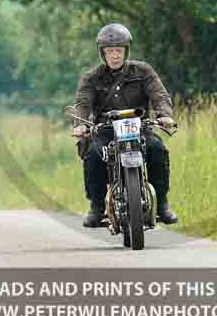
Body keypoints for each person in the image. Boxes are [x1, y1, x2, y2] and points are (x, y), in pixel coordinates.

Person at [73, 23, 178, 228]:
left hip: (139, 128)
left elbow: (159, 94)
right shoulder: (91, 78)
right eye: (110, 51)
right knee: (93, 153)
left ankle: (163, 203)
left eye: (119, 50)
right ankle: (96, 206)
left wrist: (164, 115)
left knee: (157, 149)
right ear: (102, 53)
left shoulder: (143, 71)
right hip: (106, 131)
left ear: (126, 51)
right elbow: (82, 103)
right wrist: (80, 124)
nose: (114, 55)